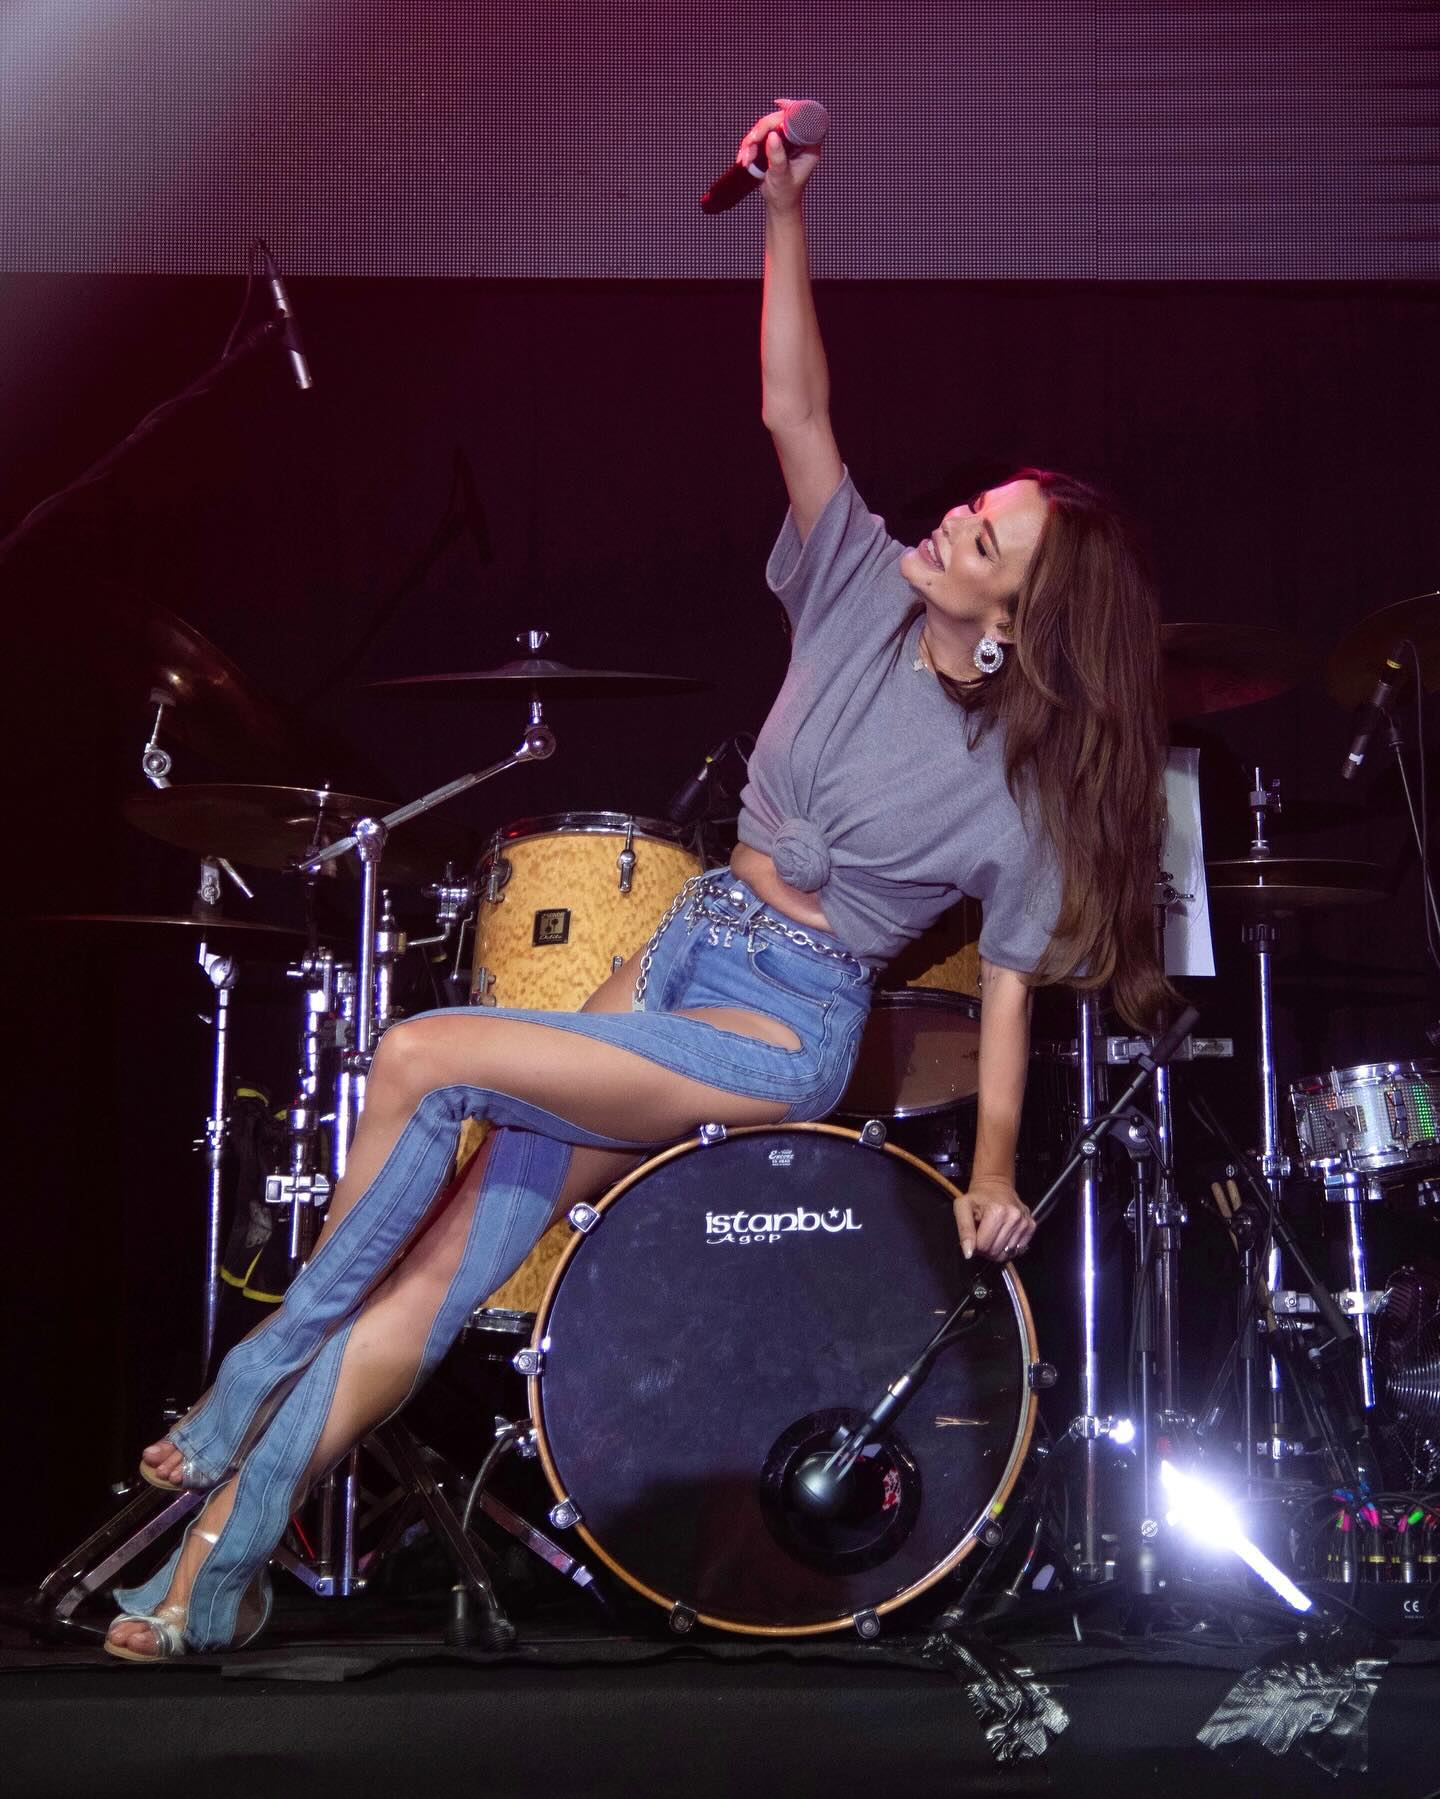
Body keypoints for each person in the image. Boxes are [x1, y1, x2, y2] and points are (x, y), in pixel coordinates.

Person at [104, 109, 1173, 1660]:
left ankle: (251, 1381)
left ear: (1020, 613)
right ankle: (218, 1570)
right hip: (682, 943)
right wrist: (785, 210)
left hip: (779, 1025)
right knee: (447, 1259)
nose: (954, 519)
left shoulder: (1019, 795)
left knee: (423, 1055)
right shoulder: (857, 591)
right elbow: (793, 406)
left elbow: (1006, 987)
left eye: (988, 534)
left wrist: (995, 1170)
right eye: (973, 506)